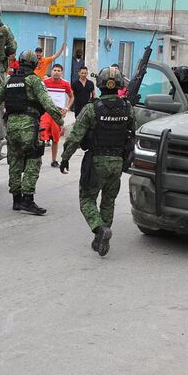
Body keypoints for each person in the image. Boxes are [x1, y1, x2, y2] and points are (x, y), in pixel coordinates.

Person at [59, 66, 136, 256]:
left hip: (96, 162)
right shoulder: (128, 108)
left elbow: (75, 137)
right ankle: (101, 238)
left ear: (100, 85)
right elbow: (132, 133)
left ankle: (100, 230)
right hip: (117, 162)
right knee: (108, 201)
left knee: (86, 199)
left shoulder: (92, 108)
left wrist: (65, 158)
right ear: (119, 85)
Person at [0, 49, 63, 215]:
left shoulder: (9, 81)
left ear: (20, 63)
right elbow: (48, 103)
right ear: (35, 64)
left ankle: (16, 200)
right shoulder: (34, 81)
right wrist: (60, 122)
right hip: (28, 126)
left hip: (11, 126)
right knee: (33, 159)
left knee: (14, 160)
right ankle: (28, 200)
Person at [41, 63, 73, 168]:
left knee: (55, 138)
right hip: (46, 112)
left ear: (61, 73)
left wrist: (66, 108)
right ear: (51, 71)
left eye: (58, 71)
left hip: (57, 114)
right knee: (41, 136)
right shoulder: (45, 82)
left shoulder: (65, 83)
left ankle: (54, 160)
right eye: (55, 70)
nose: (56, 72)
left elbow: (71, 97)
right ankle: (36, 159)